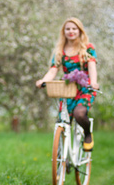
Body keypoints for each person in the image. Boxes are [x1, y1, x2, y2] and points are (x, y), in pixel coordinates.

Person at [36, 17, 99, 152]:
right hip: (67, 89)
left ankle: (87, 134)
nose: (71, 31)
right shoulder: (60, 50)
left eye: (74, 29)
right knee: (63, 122)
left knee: (79, 114)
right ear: (63, 32)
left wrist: (93, 82)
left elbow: (92, 66)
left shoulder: (88, 48)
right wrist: (43, 80)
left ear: (79, 31)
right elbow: (53, 70)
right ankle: (64, 157)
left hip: (84, 89)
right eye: (68, 29)